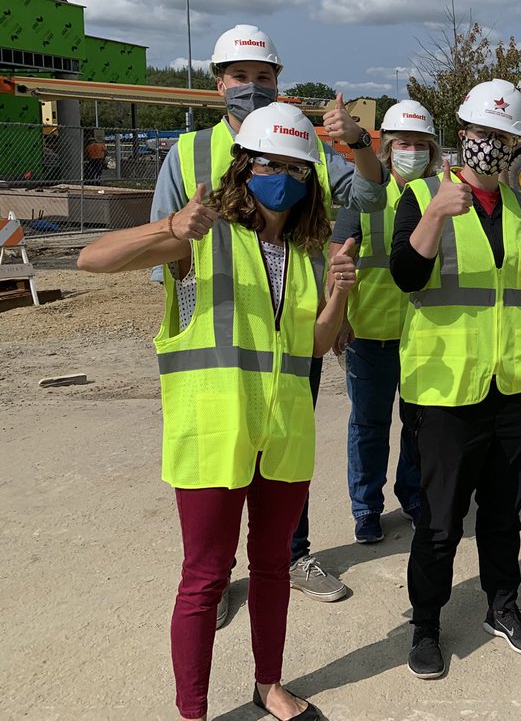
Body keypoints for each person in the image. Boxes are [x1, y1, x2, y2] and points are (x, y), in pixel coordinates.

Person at [78, 104, 352, 721]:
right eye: (269, 163)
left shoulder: (306, 252)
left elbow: (314, 344)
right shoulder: (198, 239)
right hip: (213, 434)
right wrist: (169, 227)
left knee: (274, 566)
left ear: (310, 179)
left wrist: (339, 293)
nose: (281, 175)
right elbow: (89, 260)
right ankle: (193, 711)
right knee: (204, 577)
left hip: (283, 435)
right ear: (244, 167)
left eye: (296, 167)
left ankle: (269, 685)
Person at [150, 24, 388, 614]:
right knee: (221, 456)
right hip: (222, 339)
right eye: (239, 76)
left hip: (292, 331)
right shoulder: (186, 154)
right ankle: (220, 574)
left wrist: (359, 143)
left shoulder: (299, 139)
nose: (251, 87)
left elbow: (370, 197)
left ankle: (291, 552)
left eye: (263, 77)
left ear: (278, 81)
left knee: (285, 450)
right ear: (218, 83)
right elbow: (163, 254)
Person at [390, 79, 521, 680]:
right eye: (483, 134)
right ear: (462, 136)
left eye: (504, 138)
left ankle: (502, 606)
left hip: (515, 388)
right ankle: (426, 625)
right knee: (438, 521)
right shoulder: (423, 195)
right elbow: (407, 276)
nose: (493, 146)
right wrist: (433, 216)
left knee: (504, 514)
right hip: (444, 390)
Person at [330, 100, 438, 544]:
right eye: (403, 143)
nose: (411, 150)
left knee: (419, 427)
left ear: (430, 152)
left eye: (420, 144)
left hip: (424, 334)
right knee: (369, 428)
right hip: (369, 333)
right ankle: (366, 507)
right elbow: (337, 258)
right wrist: (337, 317)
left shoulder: (439, 196)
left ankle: (412, 496)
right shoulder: (366, 193)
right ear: (389, 149)